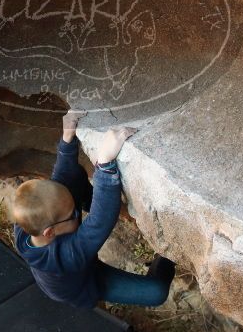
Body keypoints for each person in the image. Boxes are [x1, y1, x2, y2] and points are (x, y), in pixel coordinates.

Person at [12, 110, 176, 309]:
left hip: (76, 261)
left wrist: (67, 140)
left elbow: (61, 182)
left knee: (73, 185)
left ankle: (97, 202)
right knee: (156, 292)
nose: (76, 214)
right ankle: (168, 256)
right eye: (73, 214)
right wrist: (105, 164)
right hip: (85, 283)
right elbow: (99, 222)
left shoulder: (29, 221)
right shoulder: (64, 257)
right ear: (50, 232)